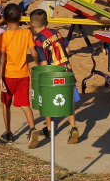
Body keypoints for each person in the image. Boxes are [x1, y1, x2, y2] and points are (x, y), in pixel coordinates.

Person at [30, 9, 80, 144]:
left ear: (32, 25)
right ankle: (73, 127)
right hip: (67, 71)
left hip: (53, 74)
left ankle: (49, 129)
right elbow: (67, 49)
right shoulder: (56, 32)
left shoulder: (39, 41)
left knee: (47, 100)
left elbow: (44, 63)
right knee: (69, 101)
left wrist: (39, 67)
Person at [0, 3, 41, 148]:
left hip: (8, 76)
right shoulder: (27, 33)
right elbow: (33, 53)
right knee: (25, 104)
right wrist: (37, 65)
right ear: (21, 16)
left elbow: (1, 57)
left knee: (5, 104)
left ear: (5, 19)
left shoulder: (3, 37)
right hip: (23, 75)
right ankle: (32, 128)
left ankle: (8, 132)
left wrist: (0, 77)